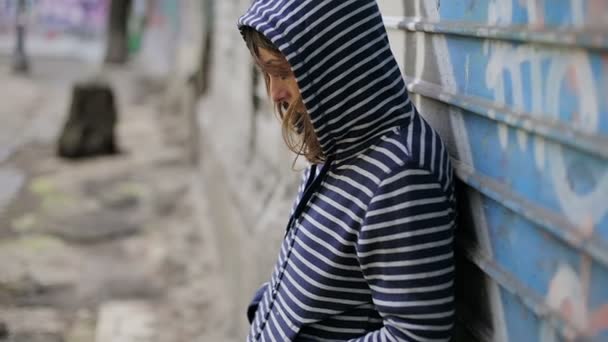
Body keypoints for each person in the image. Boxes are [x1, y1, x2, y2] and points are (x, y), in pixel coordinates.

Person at [238, 1, 456, 341]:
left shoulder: (399, 175)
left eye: (283, 72)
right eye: (266, 73)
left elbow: (415, 337)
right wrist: (269, 308)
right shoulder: (341, 142)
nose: (275, 93)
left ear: (335, 67)